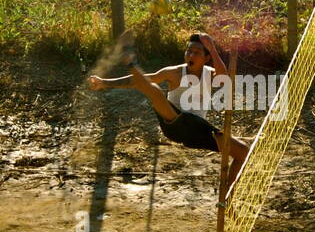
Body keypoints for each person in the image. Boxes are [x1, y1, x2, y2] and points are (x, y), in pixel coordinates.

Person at [88, 32, 251, 191]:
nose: (191, 56)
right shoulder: (174, 73)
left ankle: (227, 195)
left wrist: (212, 47)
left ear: (206, 58)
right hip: (174, 123)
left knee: (243, 152)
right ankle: (131, 63)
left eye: (196, 53)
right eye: (189, 51)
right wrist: (105, 83)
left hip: (198, 130)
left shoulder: (209, 73)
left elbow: (224, 78)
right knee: (153, 88)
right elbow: (140, 81)